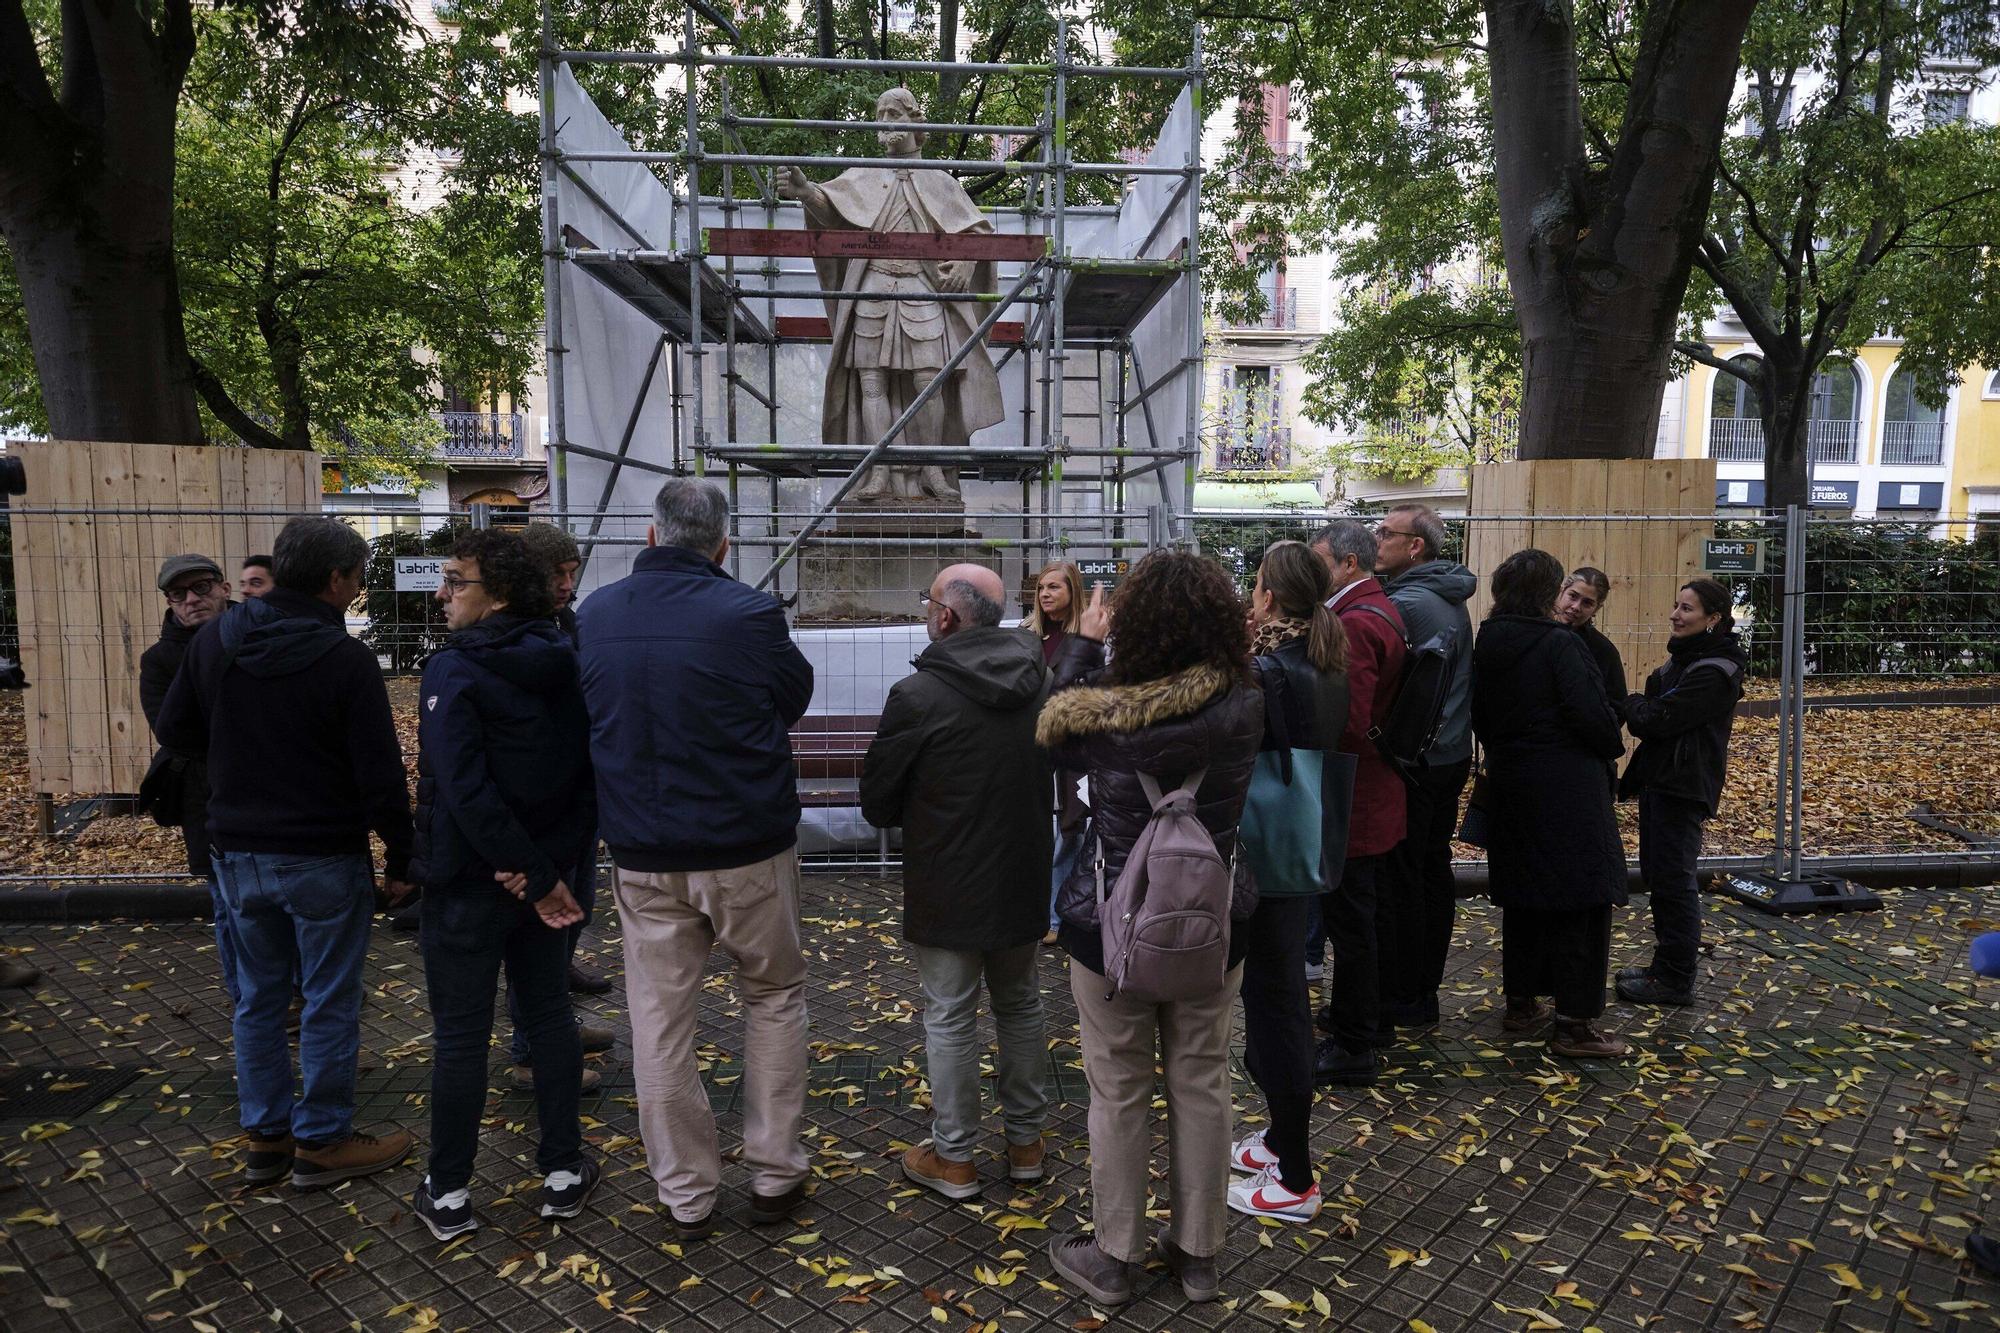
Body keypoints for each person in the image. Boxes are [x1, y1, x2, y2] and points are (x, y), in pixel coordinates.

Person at [578, 479, 815, 1238]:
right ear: (722, 544)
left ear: (651, 537)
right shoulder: (747, 612)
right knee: (773, 994)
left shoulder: (596, 613)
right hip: (747, 844)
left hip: (644, 850)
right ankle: (775, 1173)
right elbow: (793, 697)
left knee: (658, 1020)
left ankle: (686, 1193)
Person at [157, 516, 416, 1190]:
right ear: (334, 580)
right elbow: (381, 776)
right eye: (358, 578)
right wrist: (403, 859)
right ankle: (324, 1141)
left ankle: (264, 1135)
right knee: (329, 1000)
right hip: (323, 854)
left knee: (257, 1000)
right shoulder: (344, 660)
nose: (359, 589)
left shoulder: (216, 640)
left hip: (237, 851)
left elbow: (176, 728)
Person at [1037, 551, 1263, 1307]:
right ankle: (1200, 1256)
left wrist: (1083, 644)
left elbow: (1046, 726)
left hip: (1112, 926)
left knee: (1119, 1085)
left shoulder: (1105, 704)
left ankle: (1116, 1254)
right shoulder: (1249, 697)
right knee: (1202, 1078)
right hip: (1215, 918)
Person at [409, 530, 598, 1241]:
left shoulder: (454, 670)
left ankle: (450, 1190)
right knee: (548, 1014)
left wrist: (528, 871)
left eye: (456, 580)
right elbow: (583, 782)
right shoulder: (565, 659)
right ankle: (561, 1173)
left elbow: (465, 789)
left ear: (501, 594)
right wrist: (547, 874)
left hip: (468, 883)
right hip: (541, 882)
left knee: (463, 1034)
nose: (442, 593)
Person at [860, 563, 1052, 1200]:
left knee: (950, 1016)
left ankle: (956, 1157)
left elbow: (879, 803)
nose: (925, 610)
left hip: (948, 879)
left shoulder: (918, 694)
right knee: (1020, 1004)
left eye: (928, 601)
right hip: (1023, 871)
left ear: (945, 617)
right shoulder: (1038, 680)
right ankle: (1026, 1144)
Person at [1228, 541, 1350, 1224]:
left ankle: (1297, 1175)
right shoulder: (1325, 658)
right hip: (1298, 846)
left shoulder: (1270, 669)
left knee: (1274, 1006)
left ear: (1268, 597)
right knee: (1276, 1000)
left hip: (1264, 856)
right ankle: (1279, 1140)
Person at [1471, 549, 1629, 1059]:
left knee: (1523, 896)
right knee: (1582, 902)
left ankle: (1520, 1003)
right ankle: (1574, 1025)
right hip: (1568, 791)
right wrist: (1606, 741)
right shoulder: (1561, 645)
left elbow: (1481, 714)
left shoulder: (1489, 640)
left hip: (1512, 783)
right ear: (1549, 593)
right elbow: (1598, 721)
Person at [507, 521, 614, 1092]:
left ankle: (554, 1028)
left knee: (575, 916)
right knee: (537, 938)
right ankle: (533, 1051)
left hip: (576, 799)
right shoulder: (512, 635)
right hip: (540, 811)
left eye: (573, 572)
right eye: (558, 574)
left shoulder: (565, 625)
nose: (568, 584)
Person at [1306, 520, 1406, 1087]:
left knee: (1352, 922)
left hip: (1355, 794)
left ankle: (1354, 1043)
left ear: (1347, 563)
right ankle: (1363, 1018)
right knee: (1361, 917)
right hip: (1371, 790)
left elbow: (1350, 720)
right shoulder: (1378, 610)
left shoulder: (1353, 624)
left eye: (1319, 560)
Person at [1615, 578, 1747, 1007]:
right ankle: (1663, 968)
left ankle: (1676, 978)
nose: (1675, 615)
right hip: (1664, 780)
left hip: (1684, 785)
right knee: (1660, 876)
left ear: (1713, 619)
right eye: (1676, 606)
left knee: (1674, 880)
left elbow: (1657, 719)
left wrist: (1629, 701)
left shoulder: (1715, 671)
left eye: (1687, 609)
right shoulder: (1690, 661)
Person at [1373, 503, 1476, 1033]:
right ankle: (1417, 995)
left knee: (1405, 880)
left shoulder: (1411, 603)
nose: (1376, 539)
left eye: (1386, 533)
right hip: (1447, 755)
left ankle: (1404, 996)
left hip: (1419, 762)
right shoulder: (1443, 594)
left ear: (1416, 547)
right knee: (1428, 874)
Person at [138, 555, 230, 979]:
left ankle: (309, 986)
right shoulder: (159, 661)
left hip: (276, 787)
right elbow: (171, 731)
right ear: (170, 603)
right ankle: (252, 995)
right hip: (206, 793)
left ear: (224, 588)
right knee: (229, 902)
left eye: (202, 587)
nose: (193, 599)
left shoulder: (261, 634)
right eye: (180, 594)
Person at [1025, 560, 1087, 942]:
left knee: (1071, 828)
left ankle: (1057, 918)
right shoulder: (1026, 637)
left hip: (1075, 746)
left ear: (1073, 592)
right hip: (1033, 743)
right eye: (1041, 589)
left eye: (1054, 588)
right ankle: (1035, 912)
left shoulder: (1089, 639)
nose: (1045, 594)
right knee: (1031, 825)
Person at [1556, 567, 1627, 704]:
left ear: (1596, 609)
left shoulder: (1603, 650)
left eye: (1587, 603)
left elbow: (1617, 704)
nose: (1576, 607)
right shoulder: (1536, 634)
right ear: (1561, 591)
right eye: (1573, 596)